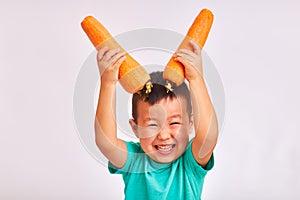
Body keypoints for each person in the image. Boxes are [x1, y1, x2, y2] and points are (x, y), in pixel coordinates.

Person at [94, 40, 218, 200]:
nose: (164, 135)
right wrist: (108, 83)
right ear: (135, 128)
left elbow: (208, 136)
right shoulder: (134, 160)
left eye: (174, 123)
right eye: (152, 124)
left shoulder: (189, 162)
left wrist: (196, 79)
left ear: (191, 124)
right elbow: (106, 143)